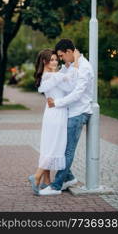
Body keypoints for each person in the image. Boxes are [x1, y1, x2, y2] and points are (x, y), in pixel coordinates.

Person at [39, 39, 94, 196]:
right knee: (61, 148)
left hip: (79, 112)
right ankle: (69, 178)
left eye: (62, 56)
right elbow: (58, 78)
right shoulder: (70, 65)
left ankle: (56, 186)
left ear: (70, 52)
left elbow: (77, 93)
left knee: (67, 151)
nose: (61, 59)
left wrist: (56, 103)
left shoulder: (85, 67)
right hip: (68, 112)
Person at [28, 48, 80, 195]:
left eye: (56, 59)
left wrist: (65, 71)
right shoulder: (52, 76)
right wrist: (75, 61)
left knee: (48, 145)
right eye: (52, 59)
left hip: (52, 113)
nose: (55, 61)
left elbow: (63, 82)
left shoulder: (50, 75)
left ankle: (47, 181)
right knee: (54, 147)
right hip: (57, 114)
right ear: (45, 61)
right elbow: (71, 84)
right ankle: (37, 176)